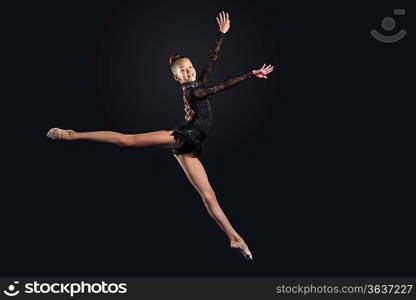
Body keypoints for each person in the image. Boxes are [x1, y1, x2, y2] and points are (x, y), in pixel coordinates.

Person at [47, 11, 274, 260]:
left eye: (189, 68)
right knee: (127, 140)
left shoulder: (197, 82)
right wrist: (250, 75)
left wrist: (221, 35)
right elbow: (223, 86)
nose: (188, 72)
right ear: (176, 77)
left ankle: (233, 237)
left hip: (192, 143)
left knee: (208, 194)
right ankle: (72, 135)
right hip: (185, 134)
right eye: (183, 71)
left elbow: (211, 61)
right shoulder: (194, 92)